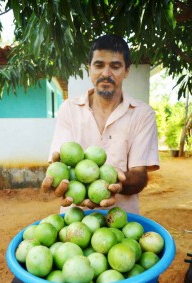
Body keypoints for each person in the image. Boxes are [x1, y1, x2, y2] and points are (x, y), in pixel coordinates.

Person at [42, 34, 160, 213]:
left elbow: (139, 175)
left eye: (115, 66)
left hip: (123, 223)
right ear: (89, 68)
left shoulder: (142, 114)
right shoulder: (69, 109)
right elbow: (60, 163)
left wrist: (115, 184)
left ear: (126, 70)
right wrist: (56, 181)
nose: (106, 73)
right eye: (99, 65)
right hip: (74, 224)